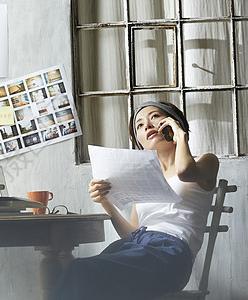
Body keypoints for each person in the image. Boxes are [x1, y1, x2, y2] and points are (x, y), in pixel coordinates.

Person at [48, 101, 219, 300]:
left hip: (170, 254)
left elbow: (184, 171)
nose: (146, 125)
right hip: (135, 247)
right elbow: (131, 233)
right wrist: (105, 202)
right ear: (139, 141)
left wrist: (181, 136)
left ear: (174, 122)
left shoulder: (206, 162)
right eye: (139, 125)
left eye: (154, 117)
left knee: (81, 272)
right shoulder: (145, 179)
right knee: (78, 274)